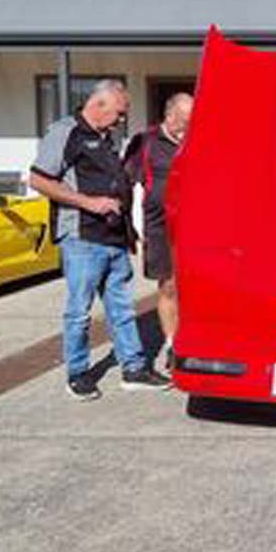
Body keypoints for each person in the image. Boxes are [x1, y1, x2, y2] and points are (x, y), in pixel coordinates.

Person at [30, 80, 171, 400]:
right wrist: (89, 203)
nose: (122, 120)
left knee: (122, 309)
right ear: (99, 104)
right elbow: (38, 179)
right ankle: (78, 373)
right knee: (79, 311)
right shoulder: (66, 132)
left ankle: (134, 369)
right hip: (82, 237)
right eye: (119, 113)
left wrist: (129, 231)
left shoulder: (105, 138)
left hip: (113, 237)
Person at [124, 92, 193, 370]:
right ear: (170, 114)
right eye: (185, 119)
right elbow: (124, 180)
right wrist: (126, 226)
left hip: (195, 227)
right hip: (160, 227)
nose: (189, 125)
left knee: (194, 286)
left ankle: (193, 338)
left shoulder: (197, 139)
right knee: (168, 286)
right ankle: (172, 344)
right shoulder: (146, 142)